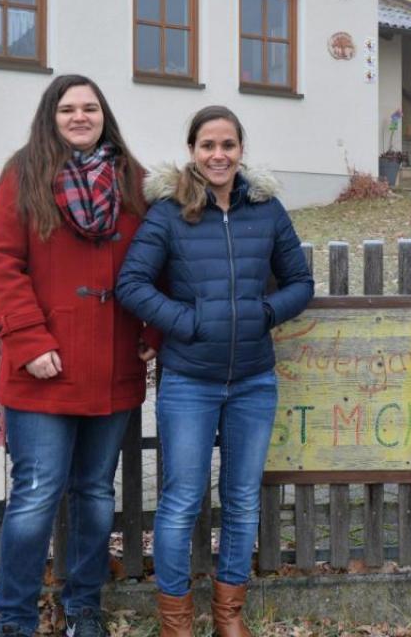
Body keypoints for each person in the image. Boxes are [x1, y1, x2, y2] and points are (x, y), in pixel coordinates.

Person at [115, 105, 314, 637]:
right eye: (208, 145)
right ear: (193, 151)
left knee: (244, 498)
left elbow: (300, 282)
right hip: (189, 381)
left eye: (228, 145)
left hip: (254, 379)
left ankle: (229, 616)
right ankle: (176, 621)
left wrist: (264, 312)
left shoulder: (267, 211)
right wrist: (189, 321)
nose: (218, 155)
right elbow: (132, 284)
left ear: (241, 150)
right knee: (182, 499)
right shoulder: (168, 213)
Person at [0, 74, 160, 637]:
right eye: (68, 109)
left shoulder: (133, 178)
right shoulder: (23, 173)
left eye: (89, 107)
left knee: (93, 493)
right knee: (37, 493)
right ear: (51, 116)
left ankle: (83, 607)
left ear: (103, 113)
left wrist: (151, 334)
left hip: (112, 363)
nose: (80, 117)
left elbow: (160, 259)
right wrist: (31, 342)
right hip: (43, 367)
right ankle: (13, 619)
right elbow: (2, 262)